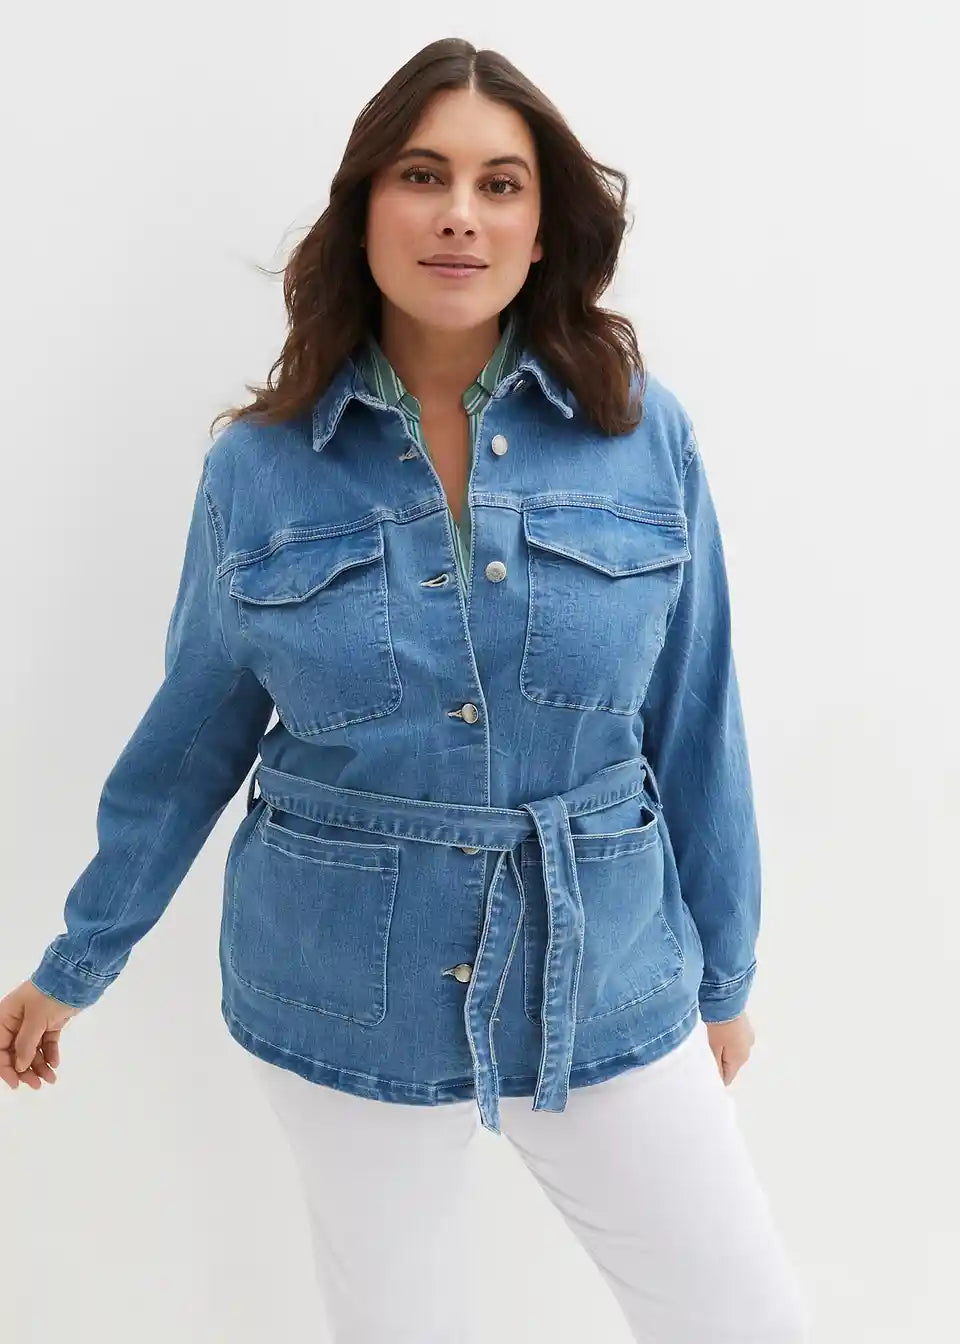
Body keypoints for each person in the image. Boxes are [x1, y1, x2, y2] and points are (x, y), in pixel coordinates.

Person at [1, 36, 811, 1344]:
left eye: (501, 183)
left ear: (542, 228)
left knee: (743, 1315)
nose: (459, 214)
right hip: (341, 980)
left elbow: (697, 715)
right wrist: (76, 963)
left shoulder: (640, 432)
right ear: (365, 206)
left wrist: (723, 976)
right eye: (423, 175)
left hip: (609, 967)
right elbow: (191, 741)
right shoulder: (259, 469)